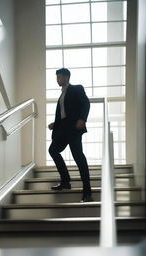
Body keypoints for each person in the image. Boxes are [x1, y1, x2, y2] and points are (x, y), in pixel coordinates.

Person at [48, 68, 93, 203]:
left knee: (78, 157)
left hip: (73, 128)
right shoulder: (61, 95)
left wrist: (82, 119)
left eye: (59, 77)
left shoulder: (76, 89)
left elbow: (86, 103)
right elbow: (63, 116)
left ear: (67, 77)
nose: (57, 79)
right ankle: (65, 181)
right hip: (62, 130)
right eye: (56, 77)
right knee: (53, 150)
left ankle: (87, 192)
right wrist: (54, 124)